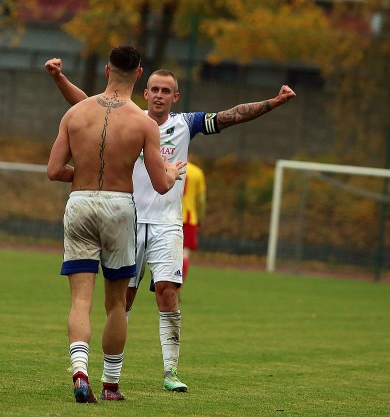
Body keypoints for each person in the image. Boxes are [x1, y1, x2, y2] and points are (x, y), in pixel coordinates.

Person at [45, 58, 296, 392]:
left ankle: (170, 371)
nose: (160, 95)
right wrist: (60, 78)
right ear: (145, 91)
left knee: (167, 293)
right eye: (155, 89)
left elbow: (231, 115)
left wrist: (274, 102)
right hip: (128, 218)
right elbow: (83, 102)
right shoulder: (130, 118)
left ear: (175, 97)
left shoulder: (186, 124)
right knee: (122, 298)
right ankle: (110, 376)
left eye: (166, 91)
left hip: (166, 223)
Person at [47, 45, 185, 403]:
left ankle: (80, 371)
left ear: (107, 71)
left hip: (79, 203)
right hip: (119, 207)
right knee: (116, 303)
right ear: (139, 75)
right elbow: (160, 184)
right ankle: (110, 384)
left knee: (80, 299)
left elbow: (54, 170)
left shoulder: (76, 113)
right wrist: (171, 172)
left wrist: (84, 174)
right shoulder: (143, 122)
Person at [180, 157, 206, 289]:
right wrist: (201, 217)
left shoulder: (169, 167)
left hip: (169, 215)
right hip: (189, 218)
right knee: (184, 253)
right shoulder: (197, 172)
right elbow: (201, 200)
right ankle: (177, 287)